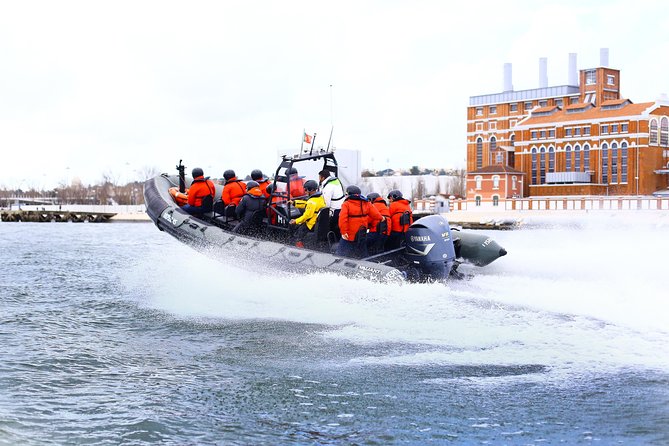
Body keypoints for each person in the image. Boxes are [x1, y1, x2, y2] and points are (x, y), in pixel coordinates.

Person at [336, 185, 382, 259]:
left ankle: (337, 268)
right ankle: (368, 266)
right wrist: (381, 218)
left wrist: (344, 232)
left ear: (349, 194)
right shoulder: (366, 203)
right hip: (362, 234)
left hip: (350, 236)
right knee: (363, 254)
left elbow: (342, 219)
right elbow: (375, 214)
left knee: (340, 255)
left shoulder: (346, 204)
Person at [289, 179, 325, 248]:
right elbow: (306, 204)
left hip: (311, 223)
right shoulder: (319, 198)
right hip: (318, 222)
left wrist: (296, 221)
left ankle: (299, 247)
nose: (305, 192)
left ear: (310, 190)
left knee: (298, 232)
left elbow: (307, 216)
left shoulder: (311, 202)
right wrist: (294, 203)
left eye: (305, 190)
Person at [318, 169, 345, 238]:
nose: (318, 179)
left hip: (334, 211)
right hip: (341, 208)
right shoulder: (336, 181)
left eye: (319, 177)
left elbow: (326, 204)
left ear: (323, 177)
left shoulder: (328, 187)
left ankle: (327, 239)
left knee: (326, 224)